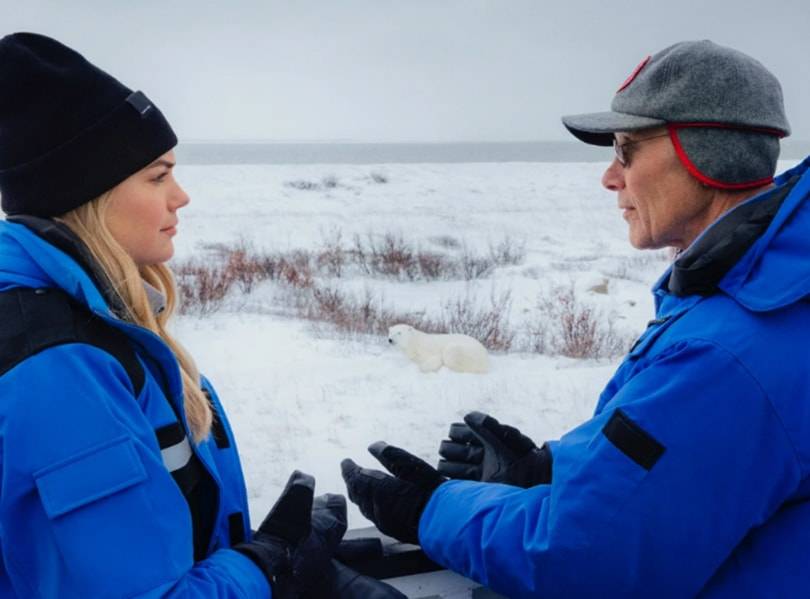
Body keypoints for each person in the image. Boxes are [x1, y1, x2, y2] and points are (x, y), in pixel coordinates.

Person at [341, 40, 810, 597]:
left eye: (627, 150)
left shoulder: (732, 353)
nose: (610, 177)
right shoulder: (765, 296)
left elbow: (584, 557)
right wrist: (557, 469)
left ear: (706, 155)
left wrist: (431, 509)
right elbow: (701, 477)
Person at [0, 32, 405, 599]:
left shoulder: (101, 328)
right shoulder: (58, 369)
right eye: (158, 176)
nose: (181, 196)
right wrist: (267, 563)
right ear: (92, 193)